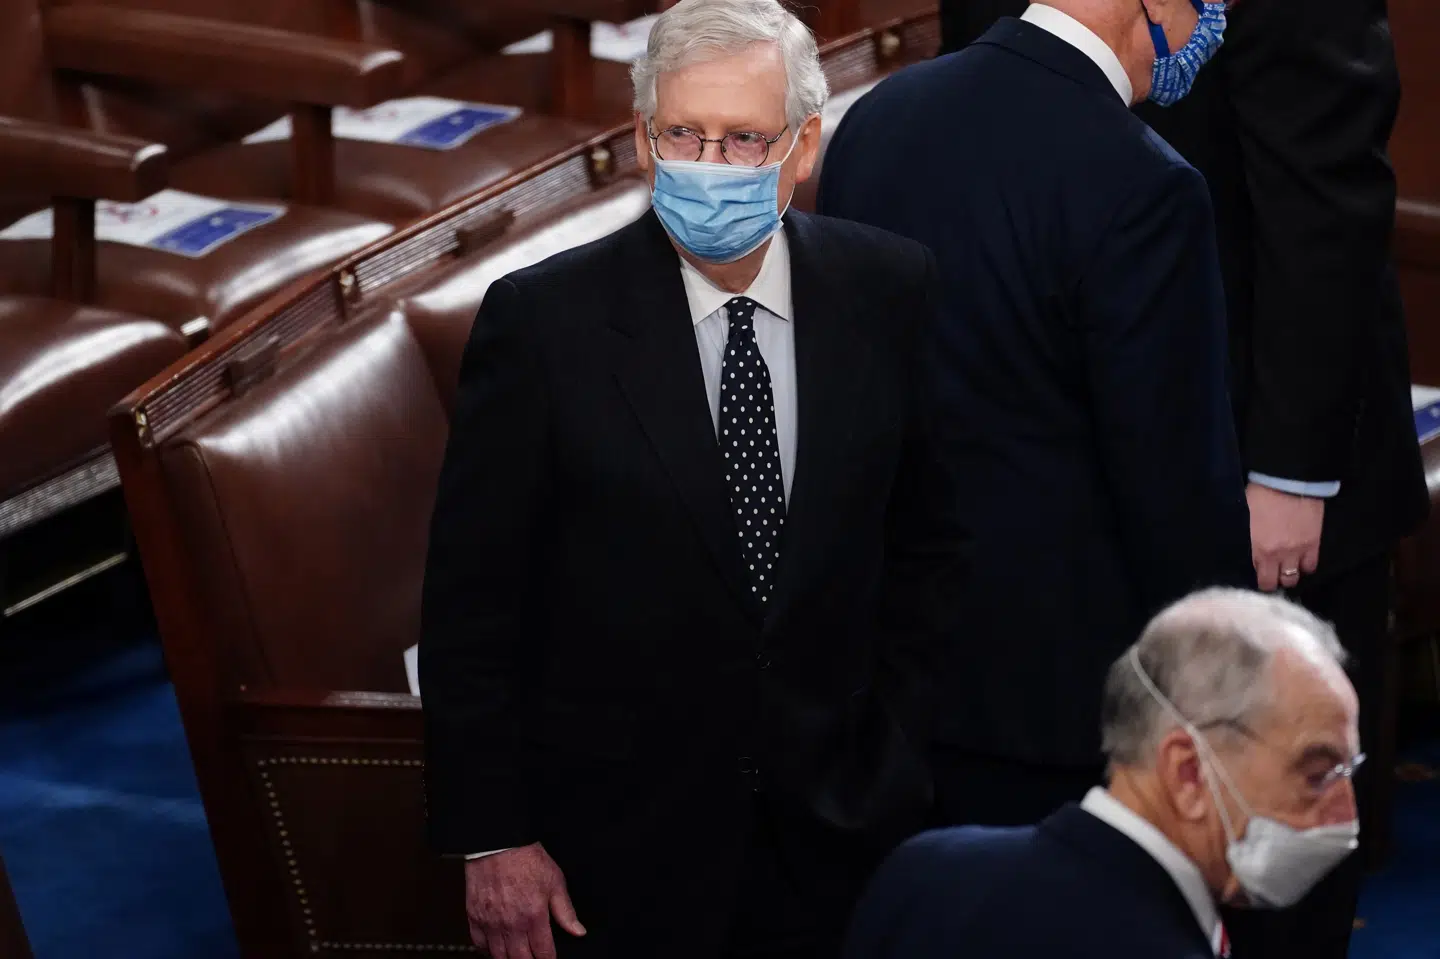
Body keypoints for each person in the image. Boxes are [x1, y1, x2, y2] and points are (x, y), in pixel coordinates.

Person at [418, 1, 966, 957]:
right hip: (622, 854)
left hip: (847, 829)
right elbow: (473, 605)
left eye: (745, 140)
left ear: (804, 149)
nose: (708, 166)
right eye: (684, 133)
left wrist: (899, 756)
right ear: (642, 139)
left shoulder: (891, 290)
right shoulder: (542, 326)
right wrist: (493, 834)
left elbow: (927, 549)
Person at [933, 1, 1429, 954]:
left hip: (1269, 465)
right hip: (1074, 474)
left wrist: (1291, 469)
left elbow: (1327, 194)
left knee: (1278, 836)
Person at [816, 0, 1254, 830]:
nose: (1214, 20)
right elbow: (1174, 488)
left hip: (890, 676)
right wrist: (1225, 700)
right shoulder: (1146, 183)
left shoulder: (876, 121)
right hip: (1065, 704)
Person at [844, 587, 1365, 959]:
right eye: (1317, 774)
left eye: (1350, 771)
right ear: (1187, 774)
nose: (1348, 817)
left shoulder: (923, 871)